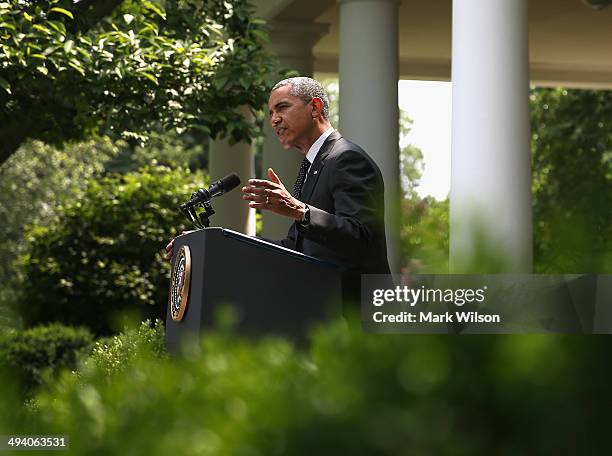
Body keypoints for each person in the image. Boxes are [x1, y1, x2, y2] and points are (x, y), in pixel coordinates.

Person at [166, 77, 390, 299]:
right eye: (271, 112)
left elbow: (362, 238)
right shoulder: (314, 165)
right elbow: (293, 248)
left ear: (315, 107)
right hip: (320, 315)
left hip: (356, 316)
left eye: (282, 107)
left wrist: (301, 212)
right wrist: (211, 245)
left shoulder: (346, 158)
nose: (274, 120)